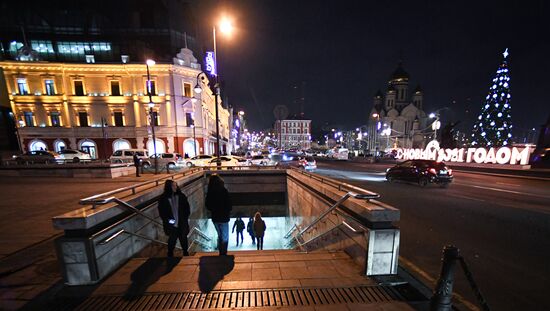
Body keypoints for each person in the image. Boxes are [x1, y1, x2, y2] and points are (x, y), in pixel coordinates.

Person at [158, 180, 190, 257]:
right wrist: (168, 220)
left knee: (183, 238)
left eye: (176, 185)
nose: (175, 187)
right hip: (172, 224)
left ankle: (185, 253)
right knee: (172, 239)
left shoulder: (181, 196)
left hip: (181, 222)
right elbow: (162, 212)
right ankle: (170, 254)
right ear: (169, 187)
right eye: (173, 186)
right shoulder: (163, 198)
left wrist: (184, 218)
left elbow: (187, 208)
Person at [205, 174, 232, 255]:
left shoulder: (210, 192)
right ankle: (224, 252)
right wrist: (227, 210)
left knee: (220, 235)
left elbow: (207, 205)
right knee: (225, 236)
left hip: (215, 217)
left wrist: (214, 209)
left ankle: (221, 252)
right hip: (224, 217)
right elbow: (229, 203)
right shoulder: (223, 191)